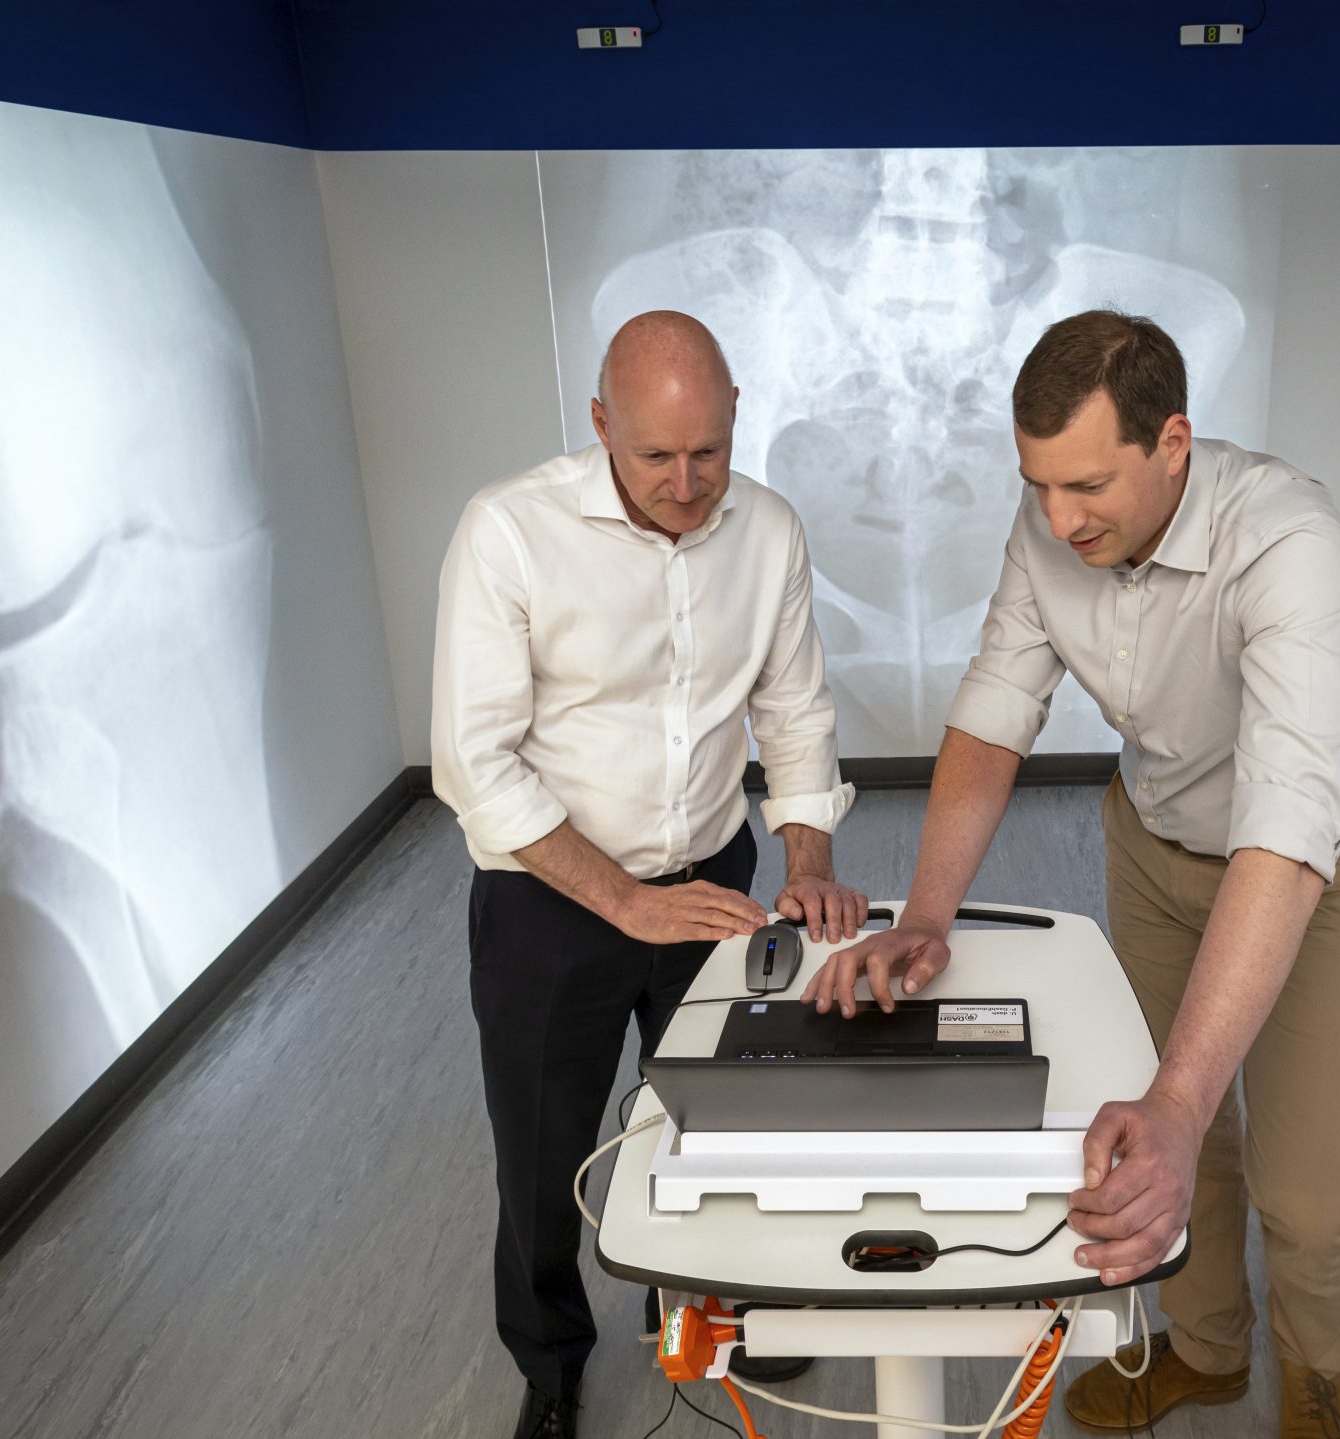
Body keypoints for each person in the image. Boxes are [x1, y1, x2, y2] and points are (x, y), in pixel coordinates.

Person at [804, 310, 1340, 1438]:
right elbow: (993, 709)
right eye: (1037, 485)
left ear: (1171, 442)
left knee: (1301, 1185)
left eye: (1085, 484)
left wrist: (1177, 1091)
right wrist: (928, 912)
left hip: (1297, 880)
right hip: (1153, 845)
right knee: (1182, 1145)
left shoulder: (1291, 544)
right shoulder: (1050, 528)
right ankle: (1209, 1349)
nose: (1059, 518)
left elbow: (1285, 826)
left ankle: (1315, 1372)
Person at [432, 311, 867, 1439]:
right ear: (598, 427)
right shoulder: (509, 530)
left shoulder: (768, 530)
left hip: (712, 876)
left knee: (721, 1121)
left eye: (708, 452)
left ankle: (702, 1302)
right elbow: (474, 761)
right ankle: (551, 1362)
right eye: (655, 456)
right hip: (550, 898)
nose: (686, 483)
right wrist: (624, 900)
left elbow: (793, 707)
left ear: (734, 426)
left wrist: (807, 855)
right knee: (544, 1149)